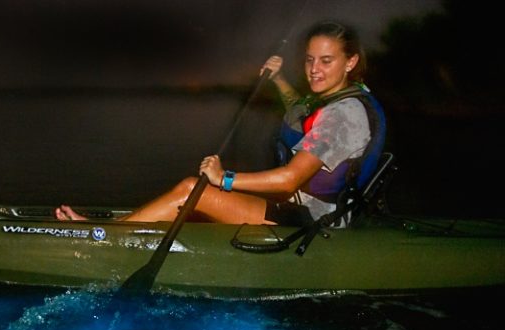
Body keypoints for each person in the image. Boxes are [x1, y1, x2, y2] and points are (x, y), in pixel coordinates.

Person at [55, 20, 384, 226]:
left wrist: (224, 179)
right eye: (310, 59)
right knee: (194, 195)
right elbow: (300, 111)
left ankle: (101, 236)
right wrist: (279, 80)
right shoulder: (342, 99)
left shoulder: (342, 116)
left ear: (350, 61)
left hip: (311, 217)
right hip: (298, 205)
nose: (314, 69)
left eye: (326, 61)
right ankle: (125, 226)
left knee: (190, 191)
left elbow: (287, 181)